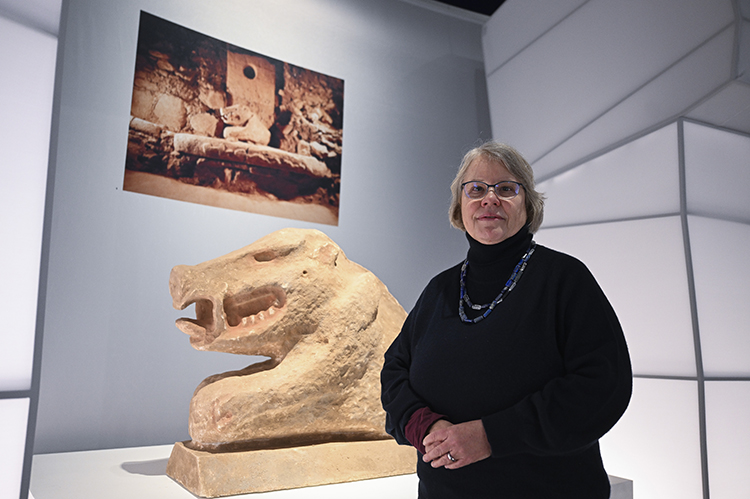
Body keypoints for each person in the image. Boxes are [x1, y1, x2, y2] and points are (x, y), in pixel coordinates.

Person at [380, 142, 632, 498]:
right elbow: (395, 371)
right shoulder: (439, 289)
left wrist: (490, 436)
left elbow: (602, 386)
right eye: (476, 189)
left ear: (528, 205)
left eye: (506, 188)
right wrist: (426, 427)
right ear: (459, 206)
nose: (489, 199)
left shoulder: (565, 279)